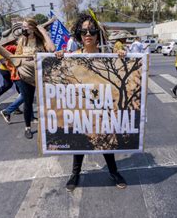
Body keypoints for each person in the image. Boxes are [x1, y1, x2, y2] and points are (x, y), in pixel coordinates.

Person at [59, 13, 128, 191]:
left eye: (91, 30)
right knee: (80, 141)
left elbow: (119, 76)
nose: (87, 34)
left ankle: (114, 172)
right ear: (78, 35)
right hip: (81, 106)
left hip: (102, 106)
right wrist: (58, 57)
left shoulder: (108, 56)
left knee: (106, 139)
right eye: (83, 31)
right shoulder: (72, 56)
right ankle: (75, 173)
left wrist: (122, 55)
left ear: (98, 34)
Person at [13, 19, 55, 139]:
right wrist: (25, 59)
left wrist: (43, 32)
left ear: (32, 28)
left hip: (41, 75)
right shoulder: (22, 41)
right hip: (25, 76)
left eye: (26, 27)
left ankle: (50, 127)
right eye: (23, 27)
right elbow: (16, 56)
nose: (23, 29)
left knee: (46, 102)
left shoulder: (41, 41)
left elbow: (52, 49)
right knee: (28, 102)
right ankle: (27, 127)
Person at [0, 31, 19, 102]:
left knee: (18, 86)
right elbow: (3, 62)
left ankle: (17, 104)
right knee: (8, 85)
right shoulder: (0, 50)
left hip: (14, 69)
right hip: (6, 70)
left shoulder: (14, 47)